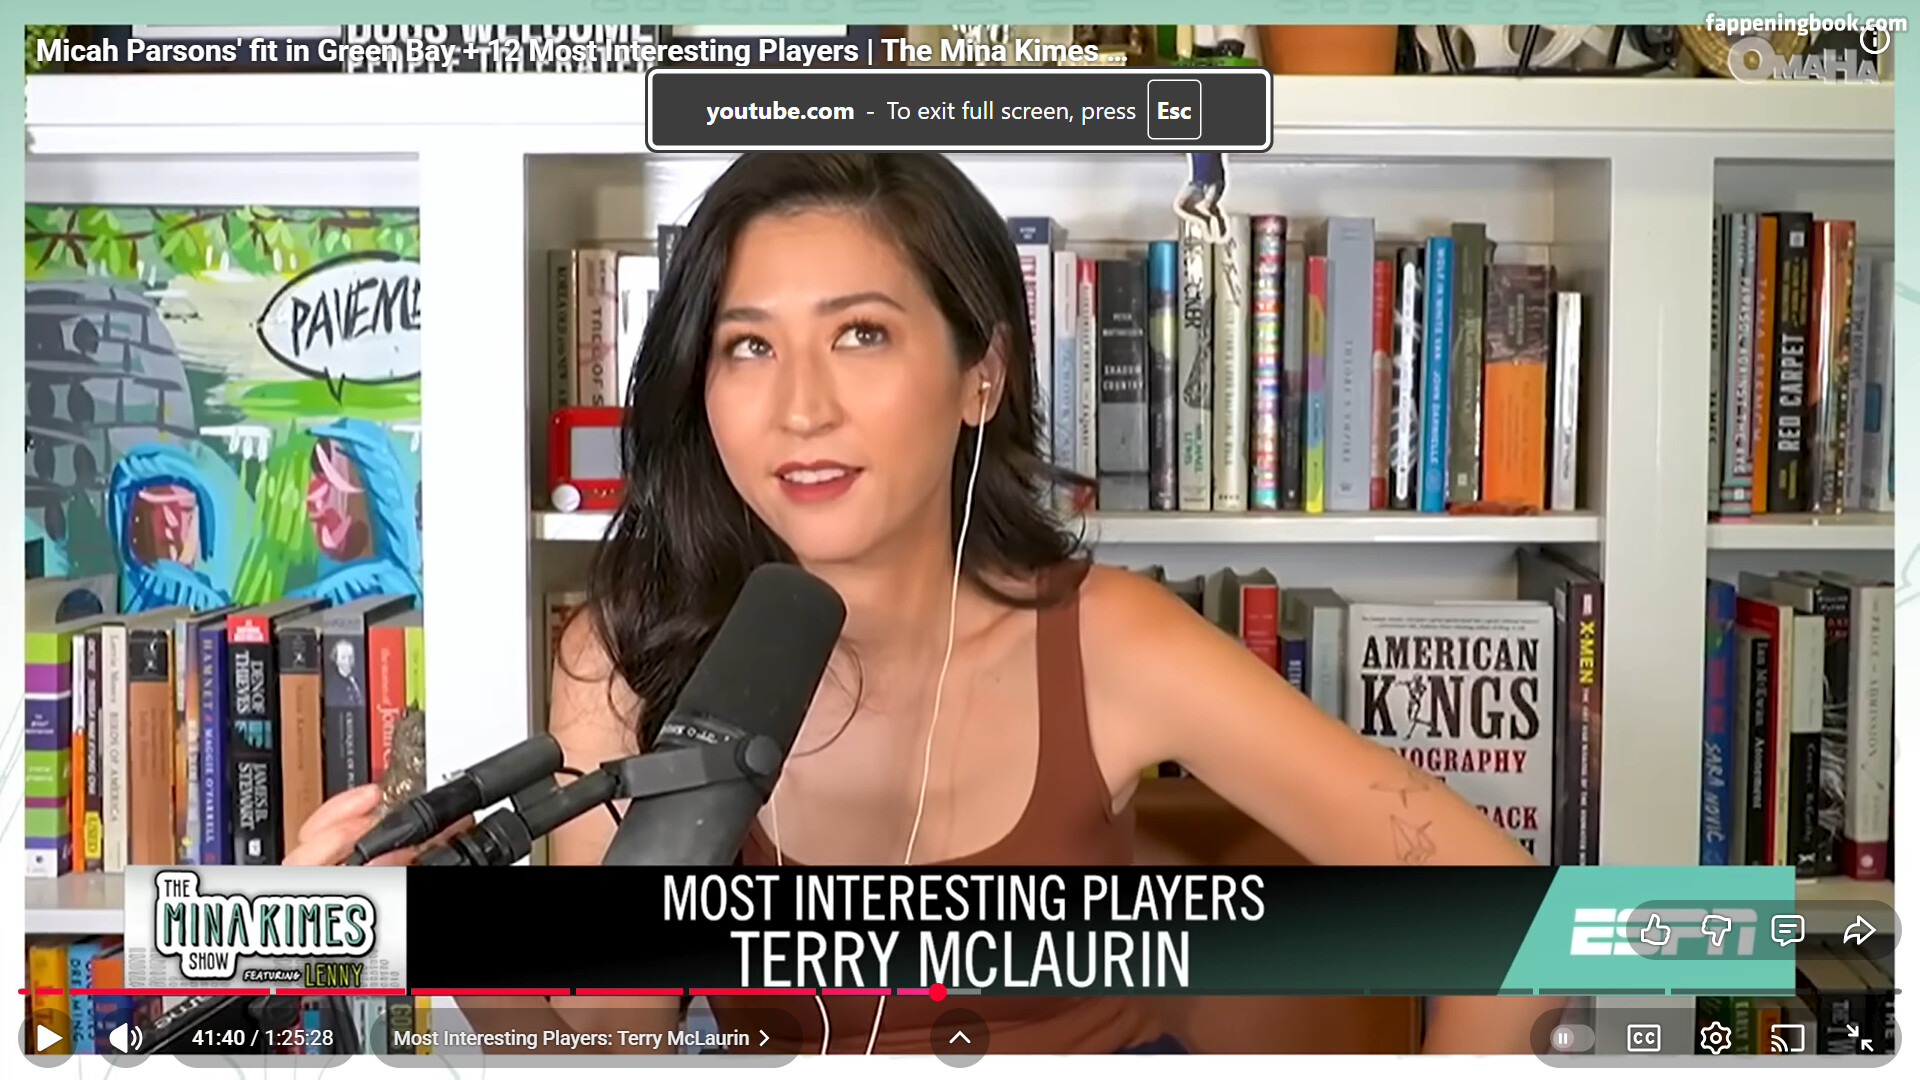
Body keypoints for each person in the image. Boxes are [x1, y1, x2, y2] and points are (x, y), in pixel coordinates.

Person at [287, 152, 1558, 1055]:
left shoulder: (1110, 640)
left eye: (862, 335)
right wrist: (404, 933)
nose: (800, 407)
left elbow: (1508, 911)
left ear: (980, 374)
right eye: (747, 346)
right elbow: (610, 1037)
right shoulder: (627, 655)